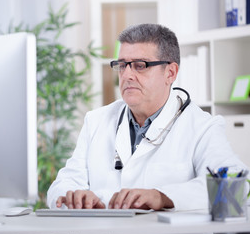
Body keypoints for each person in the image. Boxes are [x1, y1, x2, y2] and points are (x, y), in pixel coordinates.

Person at [46, 23, 248, 211]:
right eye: (122, 65)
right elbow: (62, 185)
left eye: (140, 65)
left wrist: (163, 197)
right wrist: (72, 196)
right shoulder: (96, 121)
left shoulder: (202, 127)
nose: (127, 75)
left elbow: (235, 187)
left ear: (170, 72)